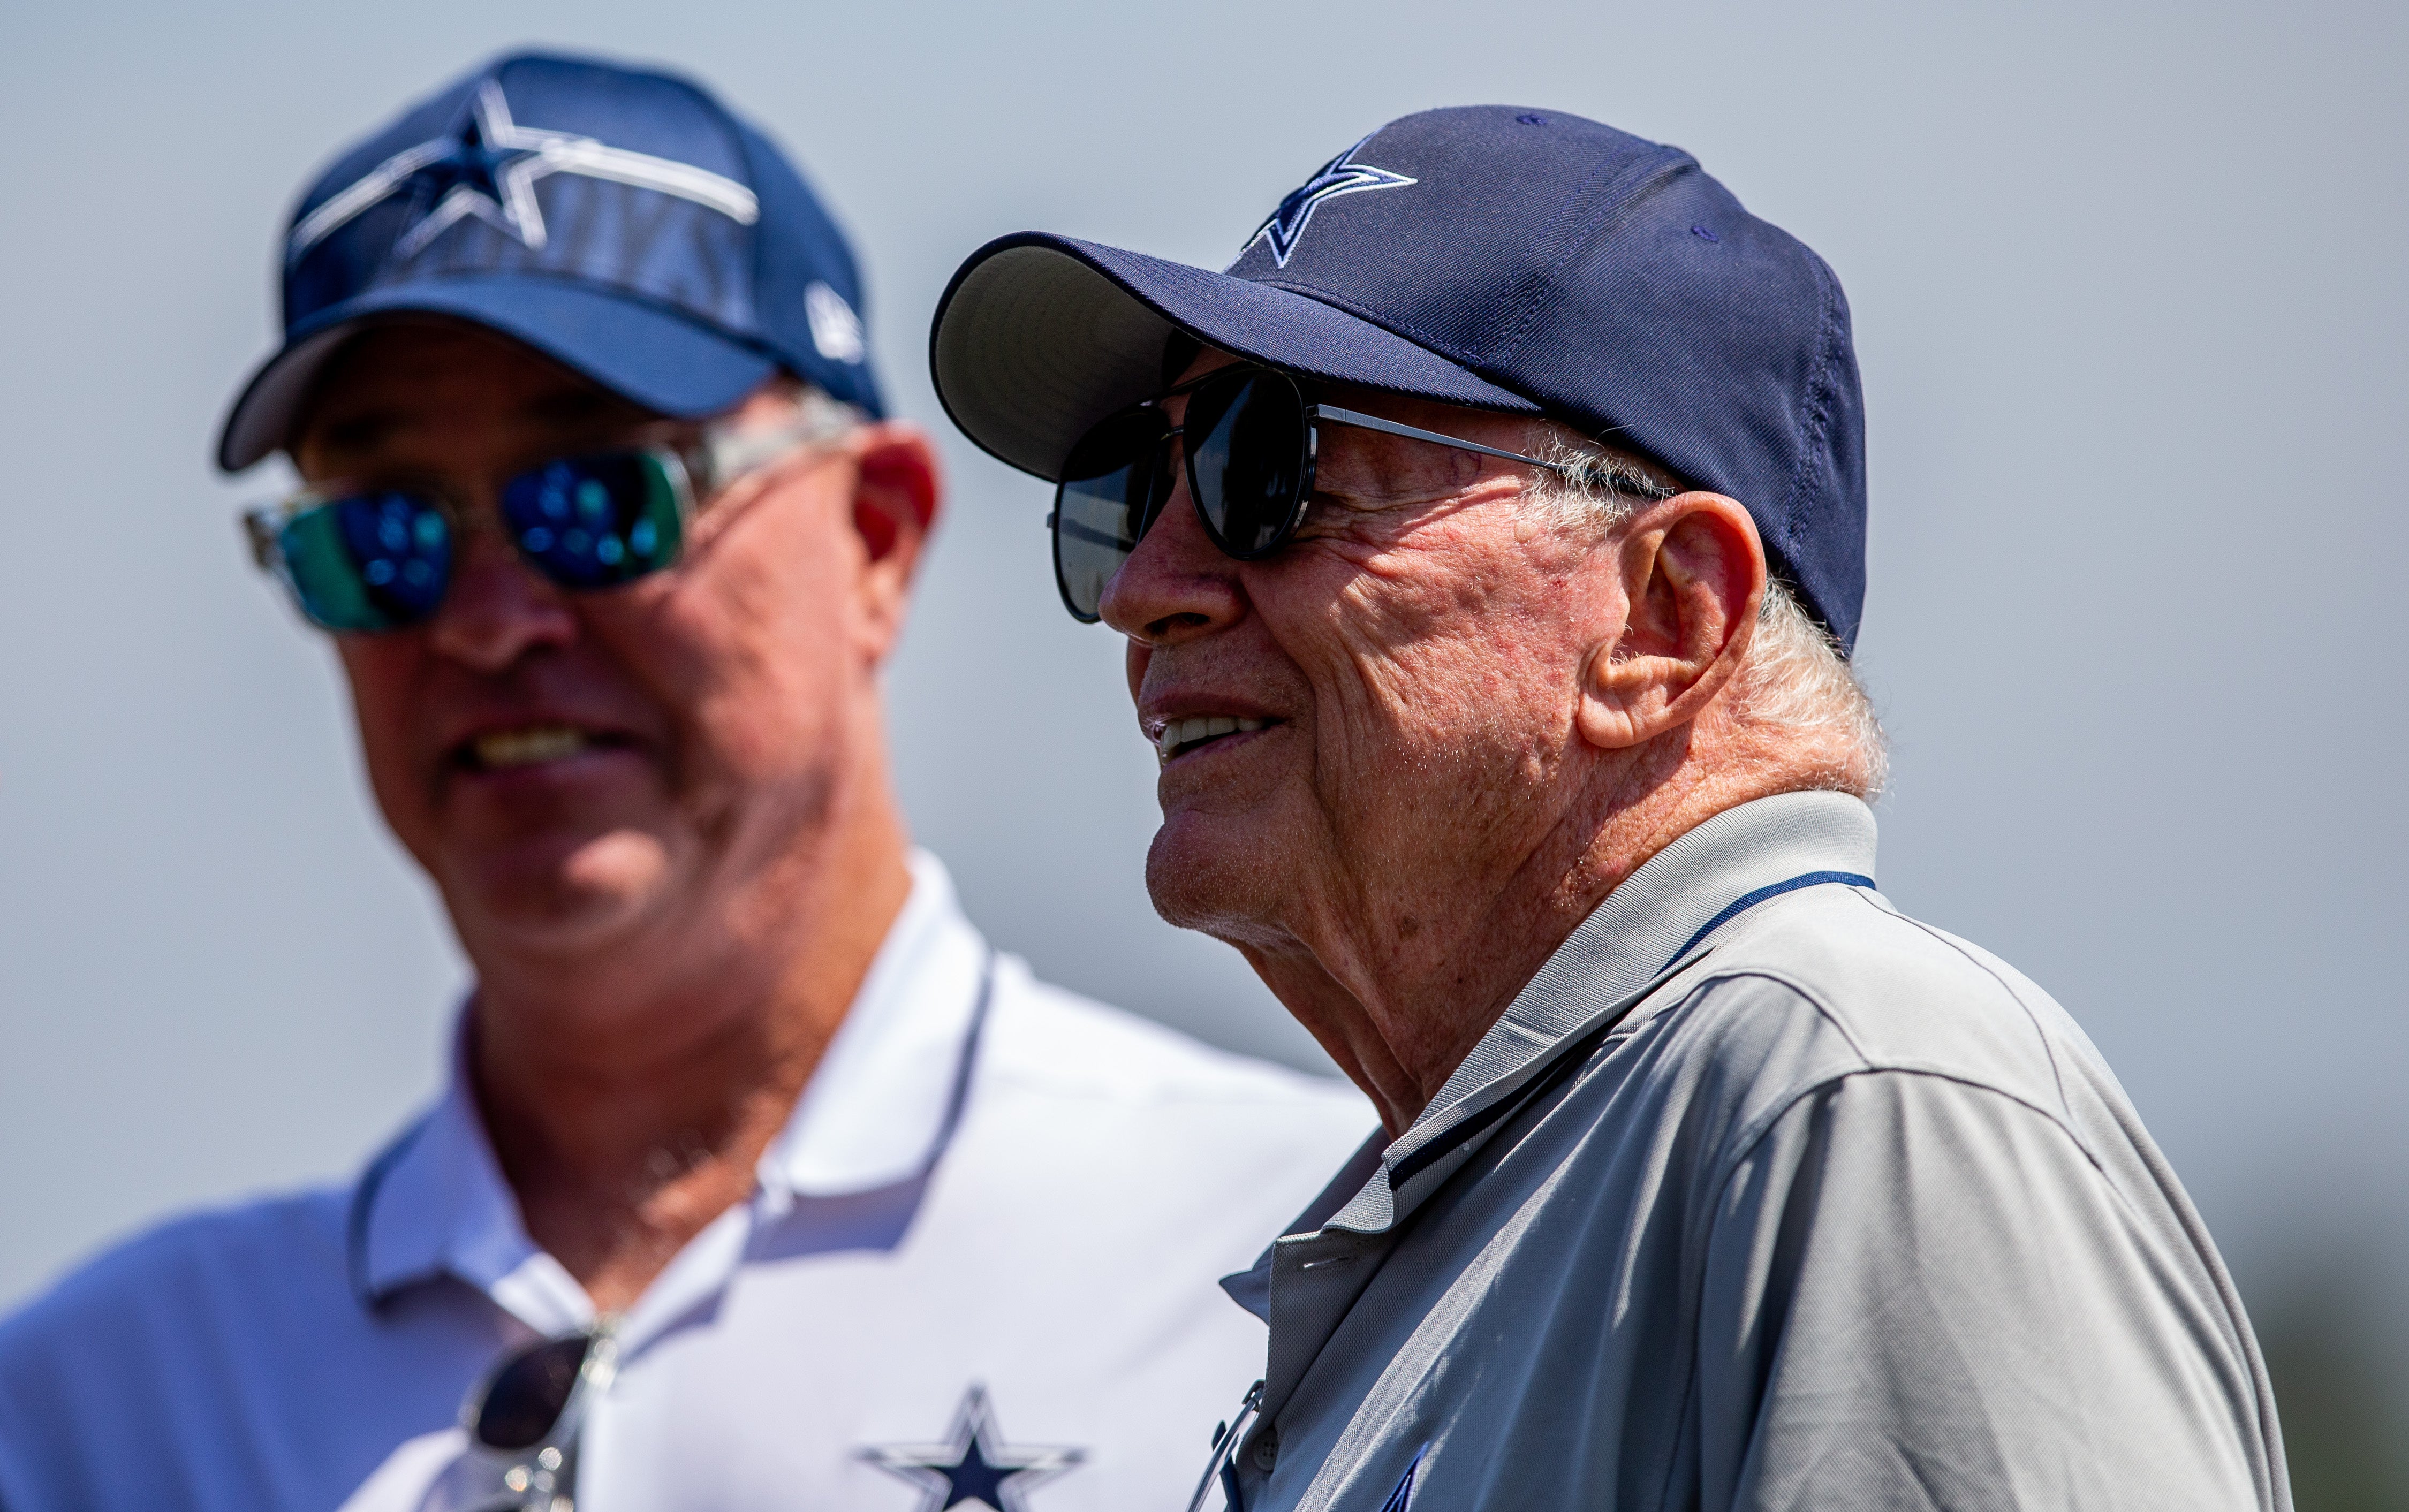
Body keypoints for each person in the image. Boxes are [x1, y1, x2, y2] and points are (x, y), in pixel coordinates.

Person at [0, 51, 1370, 1512]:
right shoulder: (107, 1407)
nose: (486, 620)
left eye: (596, 501)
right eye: (382, 535)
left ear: (877, 537)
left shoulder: (1291, 1263)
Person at [928, 107, 2291, 1510]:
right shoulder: (1552, 1164)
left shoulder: (1861, 1096)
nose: (1141, 587)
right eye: (1131, 487)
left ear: (1663, 617)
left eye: (1264, 467)